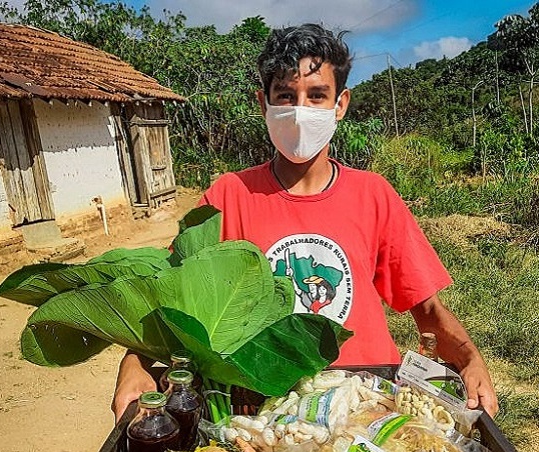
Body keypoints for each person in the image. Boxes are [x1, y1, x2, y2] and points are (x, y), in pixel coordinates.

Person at [112, 23, 498, 422]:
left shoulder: (374, 194)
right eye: (286, 95)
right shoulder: (227, 197)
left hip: (369, 402)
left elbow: (427, 307)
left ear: (341, 104)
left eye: (317, 96)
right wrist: (135, 363)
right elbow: (171, 299)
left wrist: (469, 357)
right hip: (263, 409)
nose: (300, 111)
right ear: (263, 103)